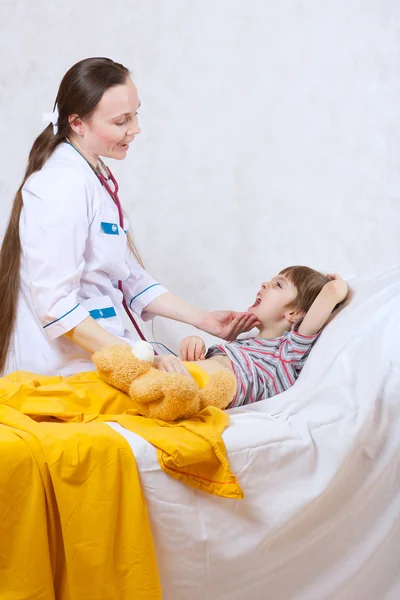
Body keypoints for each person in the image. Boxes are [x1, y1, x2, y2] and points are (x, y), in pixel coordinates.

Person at [0, 57, 259, 377]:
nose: (135, 129)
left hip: (106, 355)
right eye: (122, 121)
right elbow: (55, 307)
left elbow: (128, 277)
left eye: (136, 114)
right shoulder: (60, 185)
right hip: (63, 371)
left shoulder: (92, 175)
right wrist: (139, 357)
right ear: (78, 123)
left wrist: (202, 319)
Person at [155, 266, 349, 408]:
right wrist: (194, 346)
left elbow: (333, 292)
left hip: (202, 389)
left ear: (294, 314)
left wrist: (337, 283)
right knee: (142, 365)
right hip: (187, 380)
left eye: (278, 285)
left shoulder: (288, 351)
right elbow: (199, 363)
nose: (265, 284)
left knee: (148, 374)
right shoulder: (242, 343)